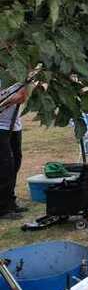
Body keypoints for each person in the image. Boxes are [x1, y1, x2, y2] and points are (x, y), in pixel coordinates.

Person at [0, 82, 29, 219]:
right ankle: (3, 208)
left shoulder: (18, 75)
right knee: (5, 167)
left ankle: (10, 202)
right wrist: (10, 99)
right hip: (1, 127)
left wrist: (5, 102)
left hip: (14, 126)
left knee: (15, 164)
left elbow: (22, 97)